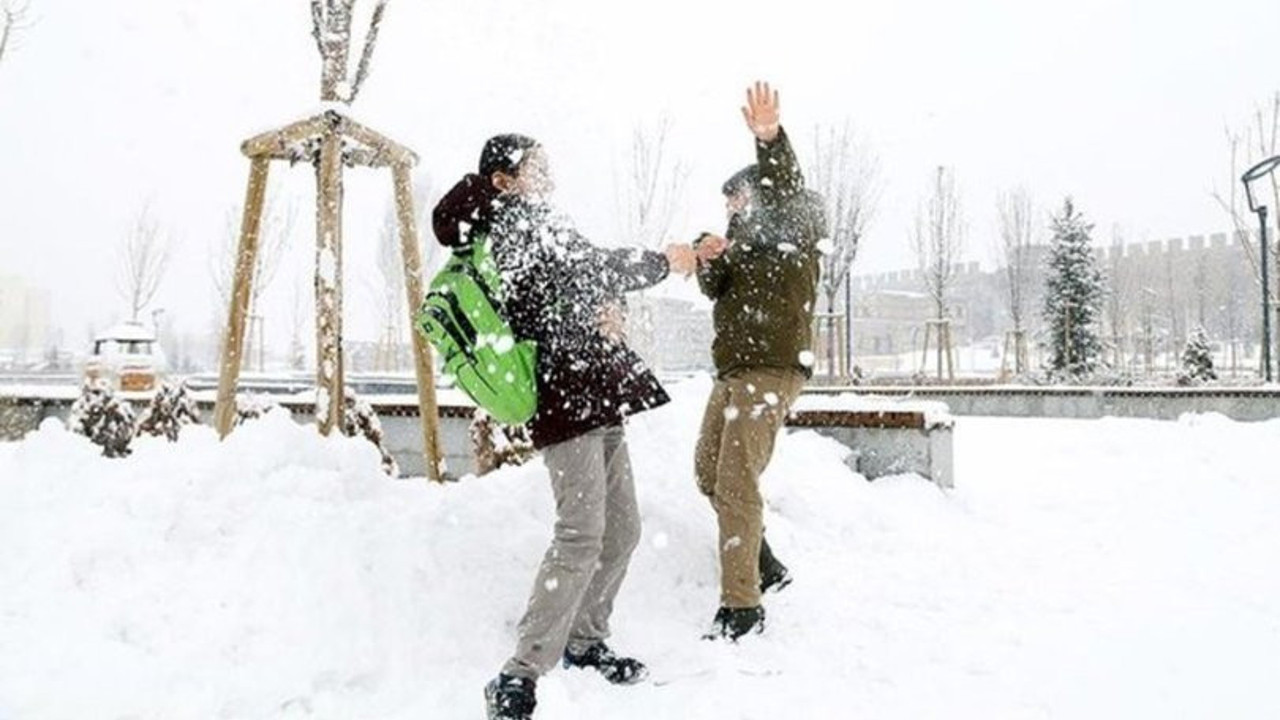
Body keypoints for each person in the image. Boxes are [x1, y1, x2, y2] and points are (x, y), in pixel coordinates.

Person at [432, 134, 698, 720]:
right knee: (580, 533)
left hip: (597, 389)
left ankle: (585, 642)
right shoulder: (508, 222)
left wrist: (614, 310)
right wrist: (664, 261)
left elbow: (584, 281)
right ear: (505, 179)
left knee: (623, 528)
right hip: (564, 393)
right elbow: (591, 267)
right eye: (536, 166)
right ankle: (518, 674)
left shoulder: (540, 219)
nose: (549, 173)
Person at [691, 82, 826, 641]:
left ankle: (742, 606)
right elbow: (713, 287)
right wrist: (706, 253)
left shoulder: (796, 222)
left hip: (771, 369)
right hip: (734, 372)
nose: (732, 209)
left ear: (761, 193)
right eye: (727, 204)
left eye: (738, 199)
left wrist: (769, 139)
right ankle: (764, 562)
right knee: (708, 472)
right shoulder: (740, 245)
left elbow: (787, 187)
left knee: (737, 480)